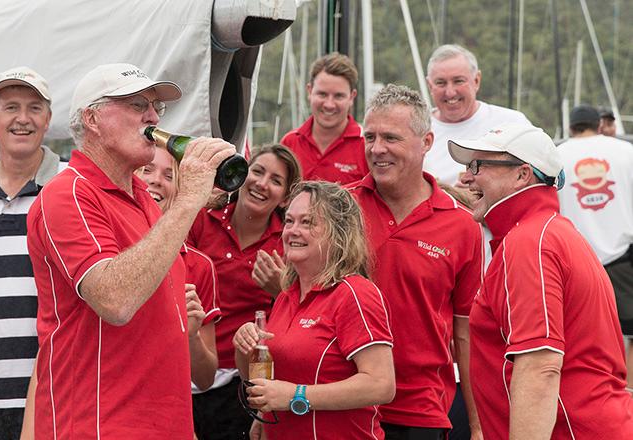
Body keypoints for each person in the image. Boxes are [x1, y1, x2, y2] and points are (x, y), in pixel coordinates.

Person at [26, 63, 236, 439]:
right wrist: (188, 199)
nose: (153, 117)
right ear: (92, 118)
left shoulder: (146, 203)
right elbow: (116, 299)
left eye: (156, 107)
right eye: (138, 104)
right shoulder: (67, 193)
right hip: (98, 425)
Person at [449, 122, 633, 439]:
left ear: (522, 174)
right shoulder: (551, 231)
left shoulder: (528, 243)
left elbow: (540, 367)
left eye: (478, 165)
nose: (467, 176)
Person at [349, 84, 483, 440]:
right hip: (342, 400)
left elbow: (466, 333)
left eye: (391, 138)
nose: (377, 149)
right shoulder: (340, 210)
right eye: (370, 137)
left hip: (420, 411)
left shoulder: (461, 225)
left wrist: (477, 422)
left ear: (426, 142)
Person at [233, 180, 396, 439]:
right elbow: (260, 381)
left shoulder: (354, 293)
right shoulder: (287, 295)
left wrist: (296, 396)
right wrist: (245, 346)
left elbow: (381, 385)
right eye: (289, 221)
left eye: (307, 222)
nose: (292, 231)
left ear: (338, 232)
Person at [0, 66, 65, 439]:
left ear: (48, 119)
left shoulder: (73, 190)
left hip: (55, 395)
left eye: (34, 108)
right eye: (11, 107)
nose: (23, 119)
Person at [187, 144, 301, 439]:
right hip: (185, 369)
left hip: (241, 382)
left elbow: (304, 318)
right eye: (258, 171)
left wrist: (280, 291)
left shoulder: (287, 242)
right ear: (242, 175)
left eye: (276, 181)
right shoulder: (202, 218)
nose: (262, 184)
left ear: (285, 196)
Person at [557, 104, 633, 391]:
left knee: (578, 336)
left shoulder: (558, 154)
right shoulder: (625, 150)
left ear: (570, 129)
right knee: (631, 334)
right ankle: (626, 396)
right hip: (622, 256)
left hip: (576, 258)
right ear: (599, 125)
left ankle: (582, 391)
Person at [136, 146, 221, 391]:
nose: (155, 180)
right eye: (147, 170)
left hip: (167, 407)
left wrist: (191, 336)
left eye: (169, 175)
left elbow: (205, 379)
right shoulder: (107, 243)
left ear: (181, 192)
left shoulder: (199, 266)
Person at [425, 44, 531, 186]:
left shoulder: (512, 123)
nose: (450, 92)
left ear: (476, 80)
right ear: (430, 86)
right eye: (441, 83)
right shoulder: (415, 130)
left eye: (458, 81)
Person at [280, 52, 368, 185]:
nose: (329, 104)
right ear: (309, 91)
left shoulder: (367, 146)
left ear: (352, 97)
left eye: (338, 96)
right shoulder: (290, 142)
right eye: (322, 94)